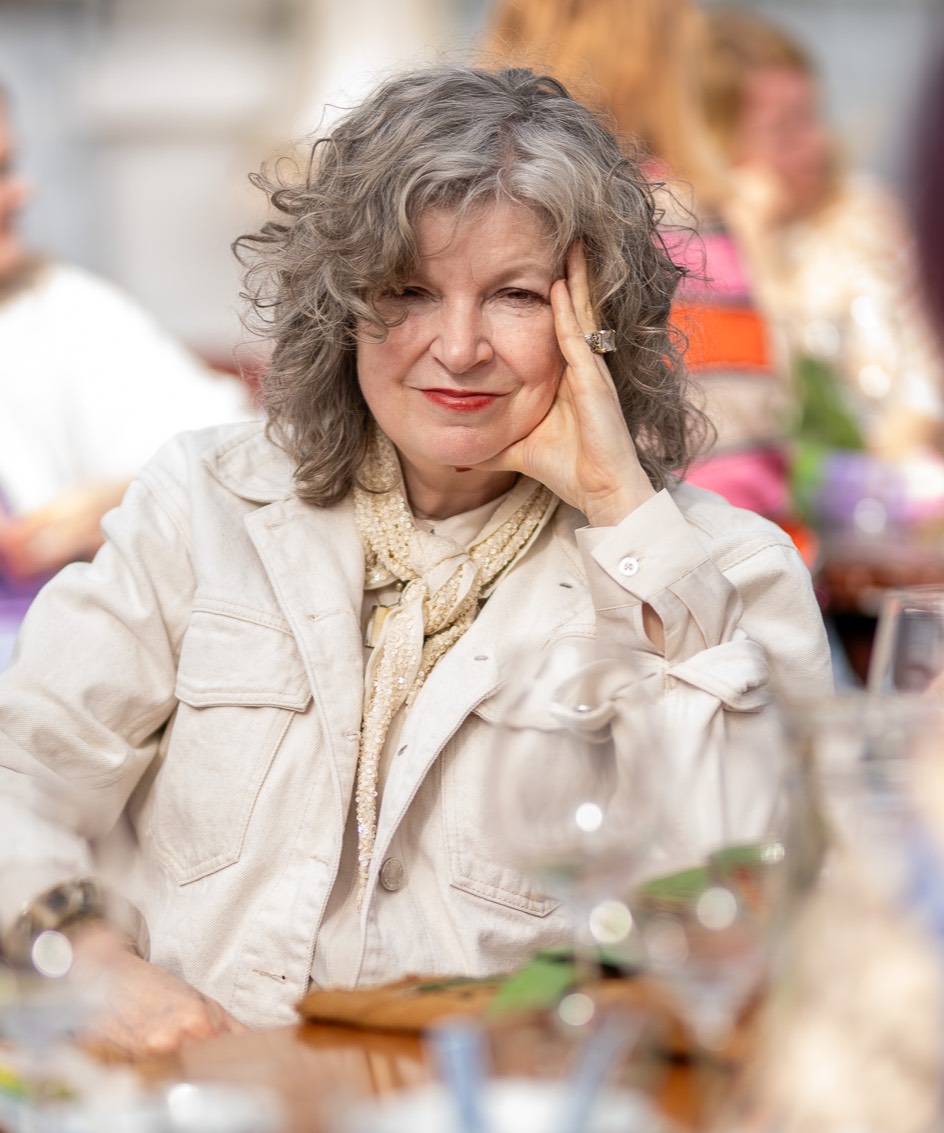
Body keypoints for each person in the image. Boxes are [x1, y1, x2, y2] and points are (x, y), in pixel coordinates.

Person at [0, 64, 832, 1056]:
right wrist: (86, 958)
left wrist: (623, 516)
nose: (460, 346)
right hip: (201, 1090)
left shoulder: (729, 568)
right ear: (342, 303)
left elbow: (754, 889)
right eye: (410, 290)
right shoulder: (203, 502)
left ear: (598, 320)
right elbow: (24, 771)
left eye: (515, 295)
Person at [480, 0, 796, 523]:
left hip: (610, 529)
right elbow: (762, 427)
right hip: (730, 530)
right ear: (660, 54)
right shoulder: (704, 207)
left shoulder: (519, 212)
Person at [0, 85, 257, 664]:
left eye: (12, 166)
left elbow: (244, 453)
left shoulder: (64, 308)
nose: (22, 192)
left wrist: (127, 501)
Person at [698, 6, 944, 473]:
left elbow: (923, 368)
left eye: (812, 115)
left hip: (902, 481)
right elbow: (765, 408)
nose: (817, 143)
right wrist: (755, 246)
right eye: (785, 131)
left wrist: (902, 451)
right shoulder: (700, 249)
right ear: (715, 141)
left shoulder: (861, 212)